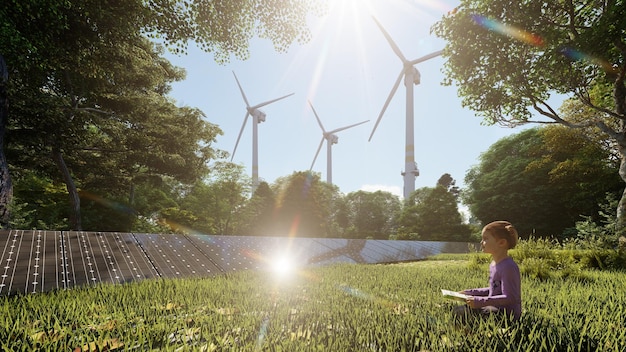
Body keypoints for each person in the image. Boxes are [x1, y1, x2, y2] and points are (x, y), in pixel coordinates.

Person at [453, 220, 522, 323]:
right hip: (494, 308)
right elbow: (493, 289)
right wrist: (469, 293)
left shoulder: (508, 267)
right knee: (458, 310)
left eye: (485, 239)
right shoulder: (494, 264)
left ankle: (470, 336)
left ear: (501, 242)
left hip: (507, 314)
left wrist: (479, 301)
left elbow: (510, 297)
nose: (481, 242)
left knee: (463, 313)